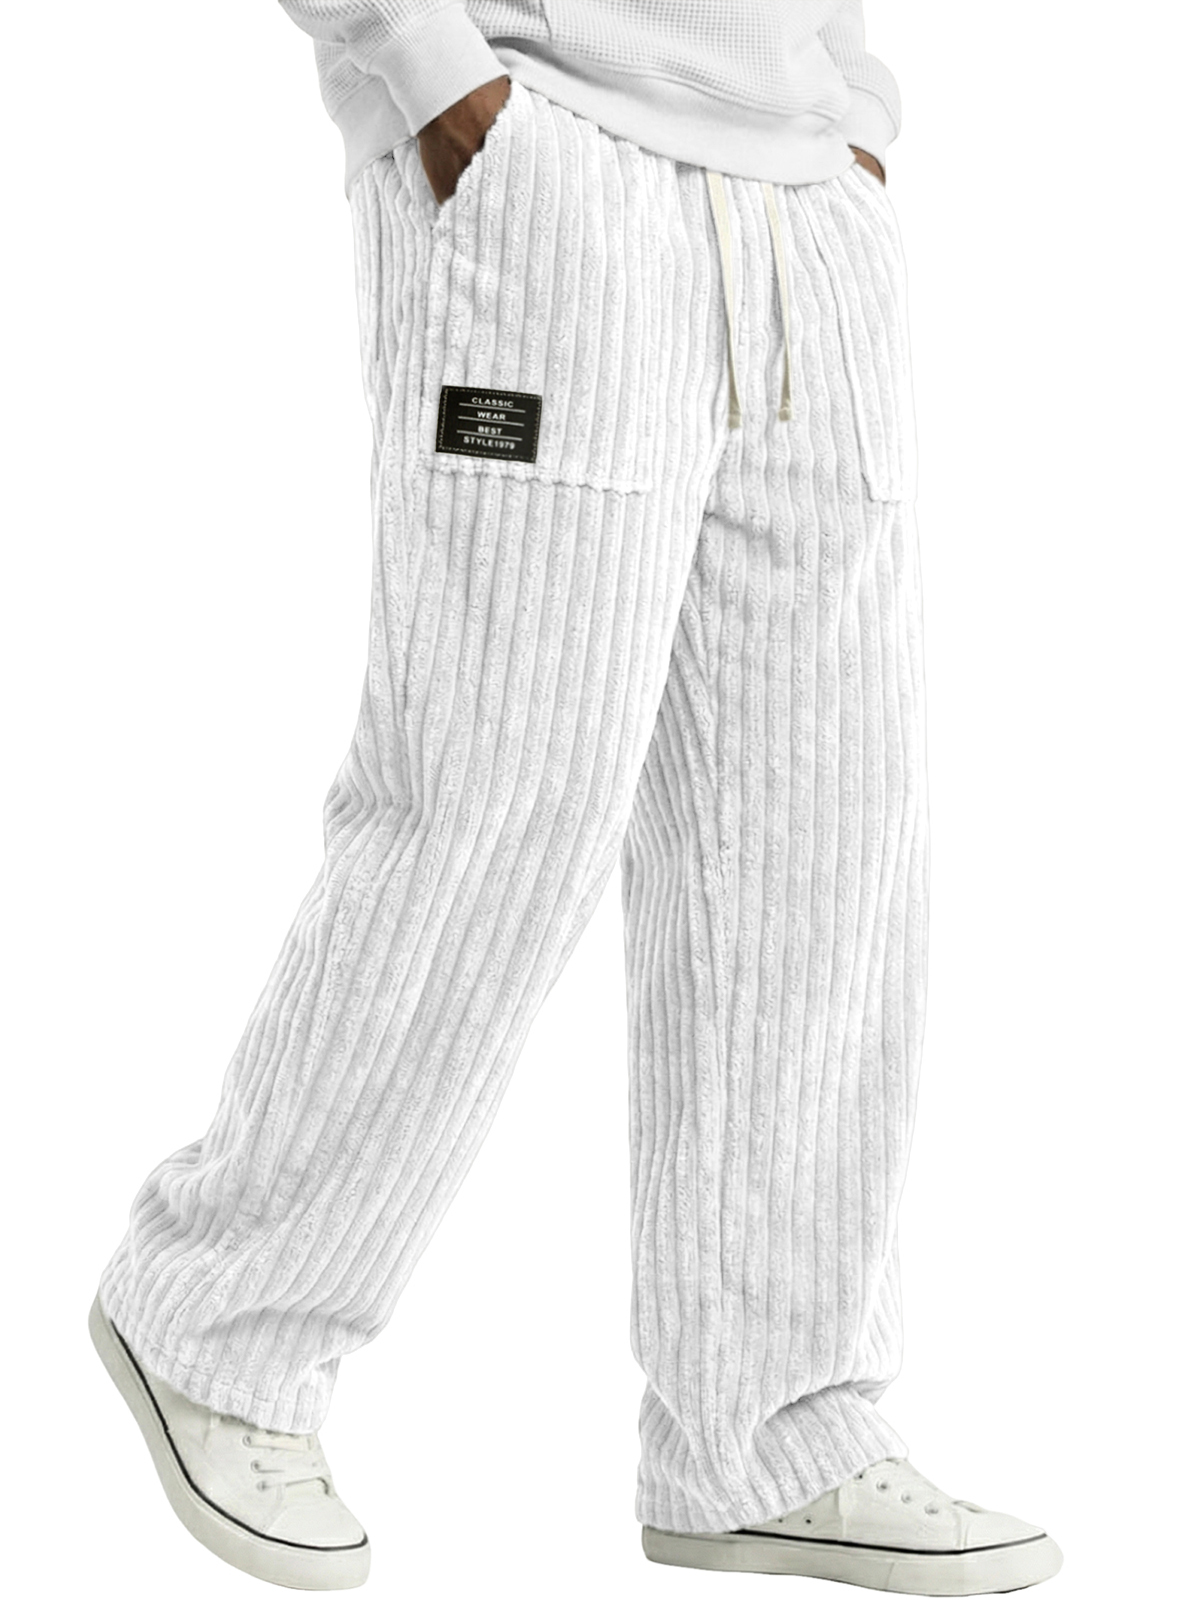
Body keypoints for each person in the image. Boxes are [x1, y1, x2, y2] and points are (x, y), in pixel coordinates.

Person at [89, 3, 1063, 1593]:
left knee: (816, 837)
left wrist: (852, 108)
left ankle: (770, 1433)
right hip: (549, 166)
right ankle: (217, 1318)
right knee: (497, 802)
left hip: (806, 206)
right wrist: (423, 65)